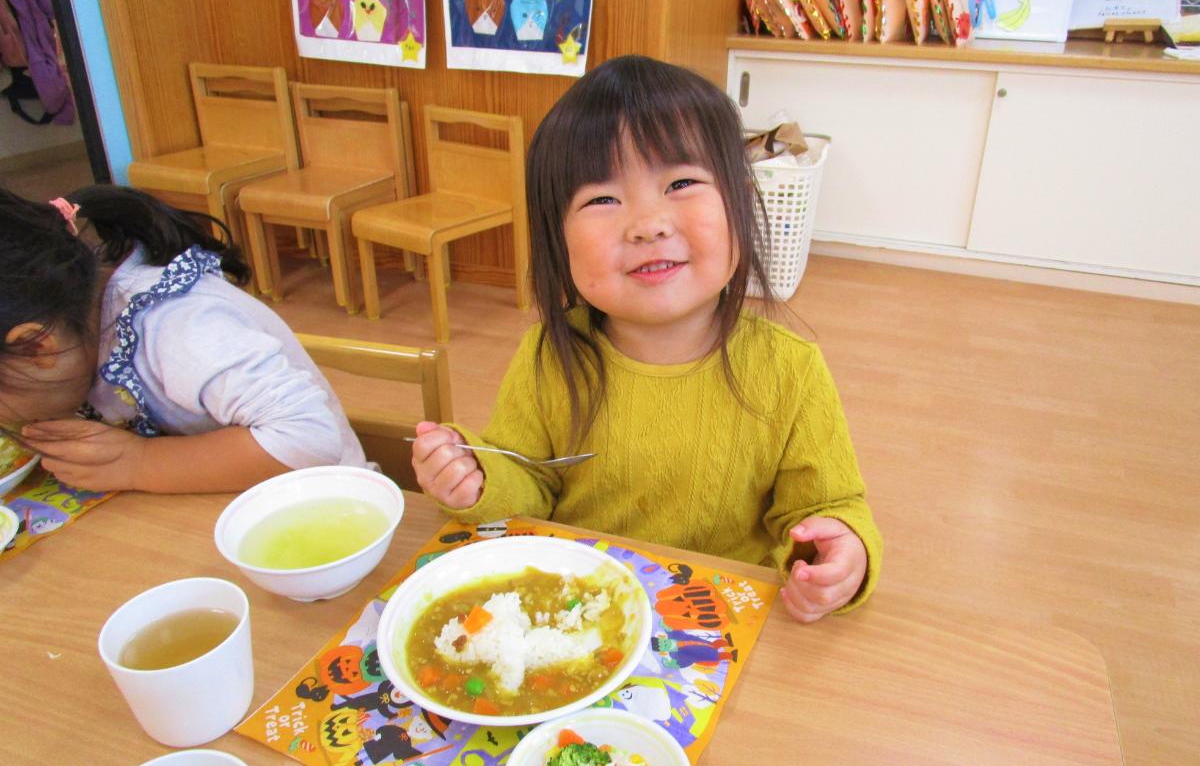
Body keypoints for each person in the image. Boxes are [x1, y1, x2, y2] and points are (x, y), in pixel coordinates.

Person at [411, 55, 882, 623]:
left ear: (738, 201)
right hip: (578, 615)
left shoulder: (791, 369)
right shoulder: (550, 356)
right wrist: (479, 476)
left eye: (682, 183)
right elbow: (529, 485)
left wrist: (838, 549)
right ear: (556, 240)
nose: (647, 224)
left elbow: (825, 507)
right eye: (602, 199)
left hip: (717, 622)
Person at [0, 184, 366, 493]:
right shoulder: (76, 319)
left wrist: (136, 463)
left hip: (330, 501)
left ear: (36, 347)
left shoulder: (178, 326)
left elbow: (309, 439)